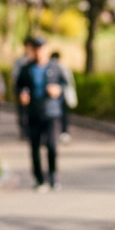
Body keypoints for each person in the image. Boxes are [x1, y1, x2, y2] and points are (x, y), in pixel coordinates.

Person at [16, 37, 68, 190]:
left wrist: (58, 90)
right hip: (33, 112)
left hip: (51, 112)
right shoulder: (26, 69)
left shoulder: (55, 67)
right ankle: (39, 179)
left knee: (52, 145)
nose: (39, 53)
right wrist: (21, 94)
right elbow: (19, 86)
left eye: (41, 49)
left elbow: (64, 84)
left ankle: (53, 175)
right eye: (36, 49)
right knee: (35, 147)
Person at [49, 51, 77, 143]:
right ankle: (63, 132)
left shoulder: (52, 67)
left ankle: (60, 133)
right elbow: (68, 81)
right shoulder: (62, 67)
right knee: (62, 116)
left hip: (57, 97)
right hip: (60, 97)